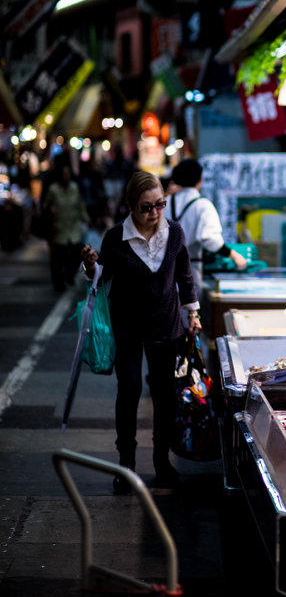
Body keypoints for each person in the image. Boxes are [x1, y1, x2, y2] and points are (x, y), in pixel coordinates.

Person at [81, 171, 199, 493]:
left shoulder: (174, 232)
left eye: (160, 204)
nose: (155, 213)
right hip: (128, 323)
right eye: (147, 207)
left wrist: (194, 312)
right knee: (130, 388)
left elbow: (184, 273)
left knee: (164, 394)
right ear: (131, 206)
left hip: (165, 322)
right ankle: (127, 464)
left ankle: (162, 460)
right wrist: (91, 266)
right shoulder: (115, 237)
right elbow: (101, 275)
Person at [166, 158, 247, 319]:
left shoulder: (165, 203)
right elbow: (211, 241)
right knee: (189, 325)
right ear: (200, 180)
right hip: (189, 273)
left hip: (163, 272)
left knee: (167, 327)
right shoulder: (202, 205)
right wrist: (235, 256)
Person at [45, 161, 90, 292]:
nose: (66, 176)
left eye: (68, 173)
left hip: (73, 226)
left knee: (77, 253)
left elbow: (81, 205)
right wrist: (50, 210)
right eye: (64, 173)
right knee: (58, 257)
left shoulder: (74, 188)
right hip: (59, 228)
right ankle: (58, 282)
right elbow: (45, 205)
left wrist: (86, 219)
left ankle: (69, 275)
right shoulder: (53, 190)